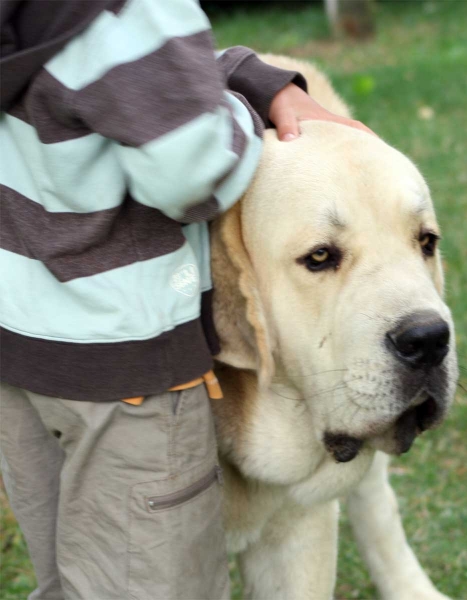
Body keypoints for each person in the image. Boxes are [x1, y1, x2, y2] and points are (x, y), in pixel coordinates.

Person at [0, 1, 373, 598]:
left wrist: (249, 75)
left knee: (73, 571)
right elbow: (189, 166)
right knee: (153, 579)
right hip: (122, 371)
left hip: (24, 353)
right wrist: (244, 119)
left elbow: (108, 83)